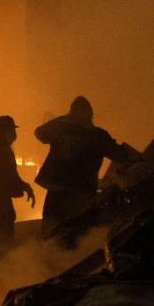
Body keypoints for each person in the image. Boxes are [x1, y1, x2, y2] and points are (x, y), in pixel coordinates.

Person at [34, 96, 132, 237]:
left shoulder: (61, 129)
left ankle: (46, 256)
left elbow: (40, 132)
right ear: (90, 115)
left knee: (51, 233)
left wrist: (63, 118)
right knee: (77, 235)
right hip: (81, 193)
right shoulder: (98, 136)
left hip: (57, 191)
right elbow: (121, 155)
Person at [0, 116, 35, 247]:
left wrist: (24, 186)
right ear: (1, 133)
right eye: (11, 130)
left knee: (4, 234)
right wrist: (18, 189)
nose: (14, 134)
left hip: (0, 201)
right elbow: (1, 180)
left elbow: (12, 174)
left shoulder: (5, 150)